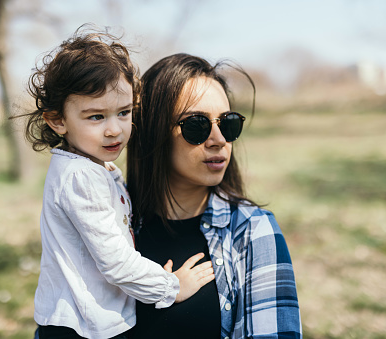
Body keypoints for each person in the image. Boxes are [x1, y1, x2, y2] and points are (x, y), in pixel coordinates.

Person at [23, 28, 215, 339]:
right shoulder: (81, 177)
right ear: (58, 120)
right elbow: (116, 262)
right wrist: (170, 287)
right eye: (96, 117)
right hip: (82, 328)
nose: (114, 130)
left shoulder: (91, 167)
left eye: (123, 113)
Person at [127, 53, 302, 339]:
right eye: (197, 124)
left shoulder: (253, 231)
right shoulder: (111, 226)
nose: (219, 139)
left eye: (227, 123)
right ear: (152, 131)